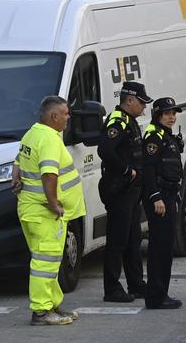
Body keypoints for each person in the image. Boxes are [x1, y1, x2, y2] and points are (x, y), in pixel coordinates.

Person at [13, 96, 85, 326]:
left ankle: (52, 304)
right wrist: (54, 203)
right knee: (45, 263)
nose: (68, 117)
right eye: (65, 113)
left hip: (31, 208)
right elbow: (49, 174)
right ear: (54, 116)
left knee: (50, 261)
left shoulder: (33, 133)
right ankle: (42, 312)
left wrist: (15, 174)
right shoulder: (49, 140)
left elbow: (19, 159)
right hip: (44, 213)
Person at [98, 81, 153, 302]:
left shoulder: (129, 120)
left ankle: (136, 284)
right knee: (117, 241)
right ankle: (112, 289)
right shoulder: (118, 121)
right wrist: (126, 170)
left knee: (133, 239)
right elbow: (105, 149)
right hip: (119, 191)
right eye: (142, 103)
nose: (144, 108)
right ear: (129, 101)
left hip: (131, 192)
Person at [141, 97, 185, 310]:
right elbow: (148, 170)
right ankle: (156, 296)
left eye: (173, 113)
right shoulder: (154, 137)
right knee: (160, 248)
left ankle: (161, 293)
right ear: (158, 115)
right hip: (160, 198)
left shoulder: (166, 135)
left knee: (166, 247)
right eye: (167, 113)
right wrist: (156, 197)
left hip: (168, 195)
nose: (171, 117)